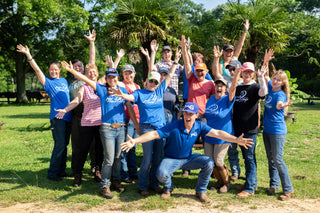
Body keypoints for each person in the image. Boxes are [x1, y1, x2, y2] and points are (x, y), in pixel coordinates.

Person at [120, 102, 254, 203]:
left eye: (190, 114)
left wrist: (236, 139)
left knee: (208, 162)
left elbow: (217, 133)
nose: (187, 116)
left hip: (188, 158)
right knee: (161, 173)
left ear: (196, 115)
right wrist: (135, 141)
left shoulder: (199, 125)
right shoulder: (174, 125)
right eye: (185, 113)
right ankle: (168, 188)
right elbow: (155, 134)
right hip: (171, 159)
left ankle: (200, 191)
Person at [113, 40, 181, 196]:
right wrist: (121, 94)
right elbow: (129, 98)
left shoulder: (159, 91)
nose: (153, 83)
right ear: (146, 81)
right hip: (146, 128)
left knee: (158, 157)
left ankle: (154, 183)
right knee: (147, 159)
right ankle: (142, 185)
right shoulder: (140, 93)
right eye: (151, 80)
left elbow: (170, 75)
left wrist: (176, 61)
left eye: (155, 81)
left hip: (160, 129)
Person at [61, 62, 138, 199]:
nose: (112, 80)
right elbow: (85, 79)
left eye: (114, 77)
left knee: (117, 157)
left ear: (117, 77)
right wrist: (71, 71)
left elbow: (130, 108)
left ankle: (116, 181)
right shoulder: (102, 90)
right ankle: (104, 185)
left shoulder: (123, 91)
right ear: (106, 79)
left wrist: (137, 126)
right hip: (107, 128)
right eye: (109, 77)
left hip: (121, 127)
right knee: (109, 158)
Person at [17, 44, 71, 181]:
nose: (53, 72)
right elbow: (37, 70)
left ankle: (61, 170)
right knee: (59, 144)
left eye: (55, 69)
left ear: (59, 70)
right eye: (51, 70)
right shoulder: (48, 83)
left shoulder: (64, 81)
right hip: (57, 117)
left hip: (68, 117)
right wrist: (28, 55)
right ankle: (52, 173)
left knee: (64, 144)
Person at [55, 63, 103, 187]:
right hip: (86, 124)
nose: (92, 74)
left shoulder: (101, 86)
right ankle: (78, 174)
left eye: (94, 72)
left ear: (97, 73)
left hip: (100, 124)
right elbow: (77, 100)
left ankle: (98, 171)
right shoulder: (84, 88)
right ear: (86, 75)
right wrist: (65, 109)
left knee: (99, 149)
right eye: (89, 72)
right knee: (82, 150)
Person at [231, 62, 268, 198]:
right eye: (245, 71)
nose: (247, 74)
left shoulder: (255, 87)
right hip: (238, 128)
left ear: (253, 73)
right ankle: (251, 182)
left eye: (250, 72)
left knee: (249, 157)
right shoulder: (238, 87)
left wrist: (261, 77)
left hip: (250, 129)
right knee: (247, 157)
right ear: (242, 72)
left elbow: (263, 93)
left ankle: (250, 188)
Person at [262, 49, 294, 201]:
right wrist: (266, 60)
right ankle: (273, 185)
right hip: (267, 130)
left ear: (282, 83)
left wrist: (282, 105)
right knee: (271, 159)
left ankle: (288, 189)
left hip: (277, 131)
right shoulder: (270, 88)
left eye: (278, 80)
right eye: (274, 79)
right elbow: (265, 74)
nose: (275, 81)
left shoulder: (280, 94)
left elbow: (280, 104)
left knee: (278, 159)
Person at [204, 66, 241, 194]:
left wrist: (236, 75)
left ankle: (226, 183)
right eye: (217, 86)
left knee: (219, 160)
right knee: (209, 160)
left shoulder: (227, 99)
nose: (219, 88)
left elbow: (233, 90)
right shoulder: (210, 100)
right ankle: (219, 181)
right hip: (209, 134)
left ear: (225, 89)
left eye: (222, 86)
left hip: (224, 135)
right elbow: (208, 113)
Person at [118, 64, 140, 183]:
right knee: (125, 147)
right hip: (126, 119)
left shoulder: (137, 86)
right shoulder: (122, 85)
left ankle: (133, 172)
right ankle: (124, 173)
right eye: (126, 73)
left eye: (130, 73)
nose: (128, 75)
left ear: (134, 73)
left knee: (133, 147)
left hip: (136, 119)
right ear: (123, 75)